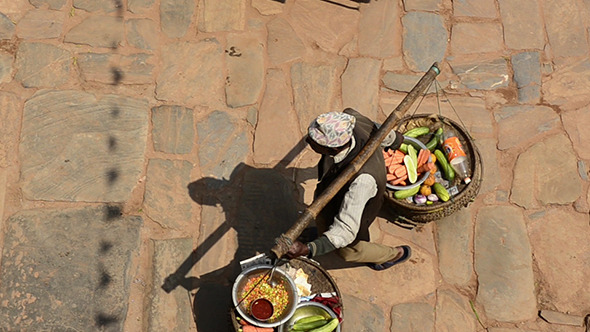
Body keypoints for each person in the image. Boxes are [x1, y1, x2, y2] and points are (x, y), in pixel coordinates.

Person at [286, 108, 412, 271]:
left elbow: (345, 230)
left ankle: (393, 254)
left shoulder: (362, 181)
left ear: (333, 149)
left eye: (313, 142)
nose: (308, 142)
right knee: (324, 216)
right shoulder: (352, 119)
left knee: (349, 251)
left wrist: (309, 249)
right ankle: (322, 233)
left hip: (360, 207)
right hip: (332, 195)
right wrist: (394, 140)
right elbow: (381, 129)